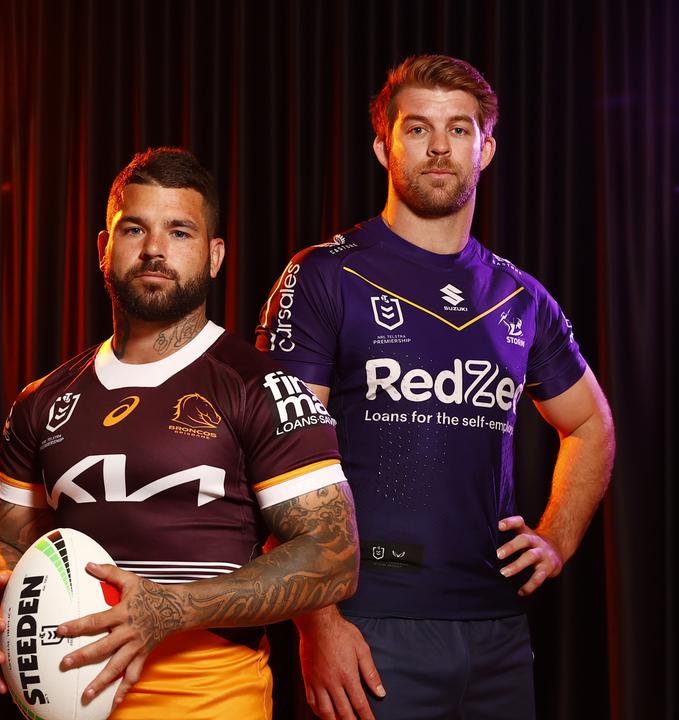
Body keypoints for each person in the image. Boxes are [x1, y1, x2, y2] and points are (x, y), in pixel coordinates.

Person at [256, 55, 616, 719]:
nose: (441, 147)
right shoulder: (325, 277)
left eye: (459, 129)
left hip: (496, 630)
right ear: (382, 146)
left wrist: (556, 539)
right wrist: (319, 622)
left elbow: (590, 425)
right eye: (418, 128)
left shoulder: (519, 297)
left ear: (487, 149)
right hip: (367, 622)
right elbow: (280, 458)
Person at [0, 147, 359, 719]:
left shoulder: (262, 386)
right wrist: (8, 598)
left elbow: (335, 557)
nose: (155, 249)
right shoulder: (42, 399)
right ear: (103, 249)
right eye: (135, 229)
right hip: (63, 693)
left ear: (214, 256)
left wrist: (171, 608)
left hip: (207, 695)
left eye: (180, 232)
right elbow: (2, 541)